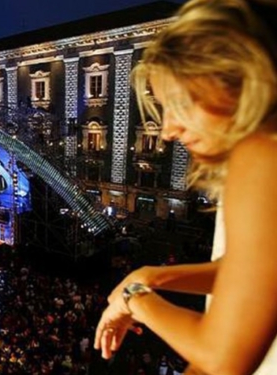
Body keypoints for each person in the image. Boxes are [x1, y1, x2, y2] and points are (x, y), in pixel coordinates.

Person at [93, 1, 277, 374]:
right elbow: (250, 273)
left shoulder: (261, 154)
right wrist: (147, 277)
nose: (168, 131)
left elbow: (223, 358)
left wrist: (134, 300)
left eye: (179, 105)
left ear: (231, 83)